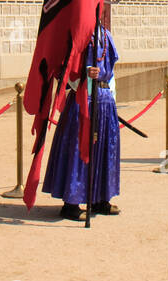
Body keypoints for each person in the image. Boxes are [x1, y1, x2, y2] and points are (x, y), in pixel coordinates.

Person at [43, 20, 121, 219]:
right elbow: (63, 69)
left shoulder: (106, 34)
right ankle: (72, 202)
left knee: (105, 149)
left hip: (104, 99)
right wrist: (84, 76)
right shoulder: (76, 35)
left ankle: (100, 199)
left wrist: (111, 95)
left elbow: (111, 68)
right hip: (82, 98)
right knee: (79, 150)